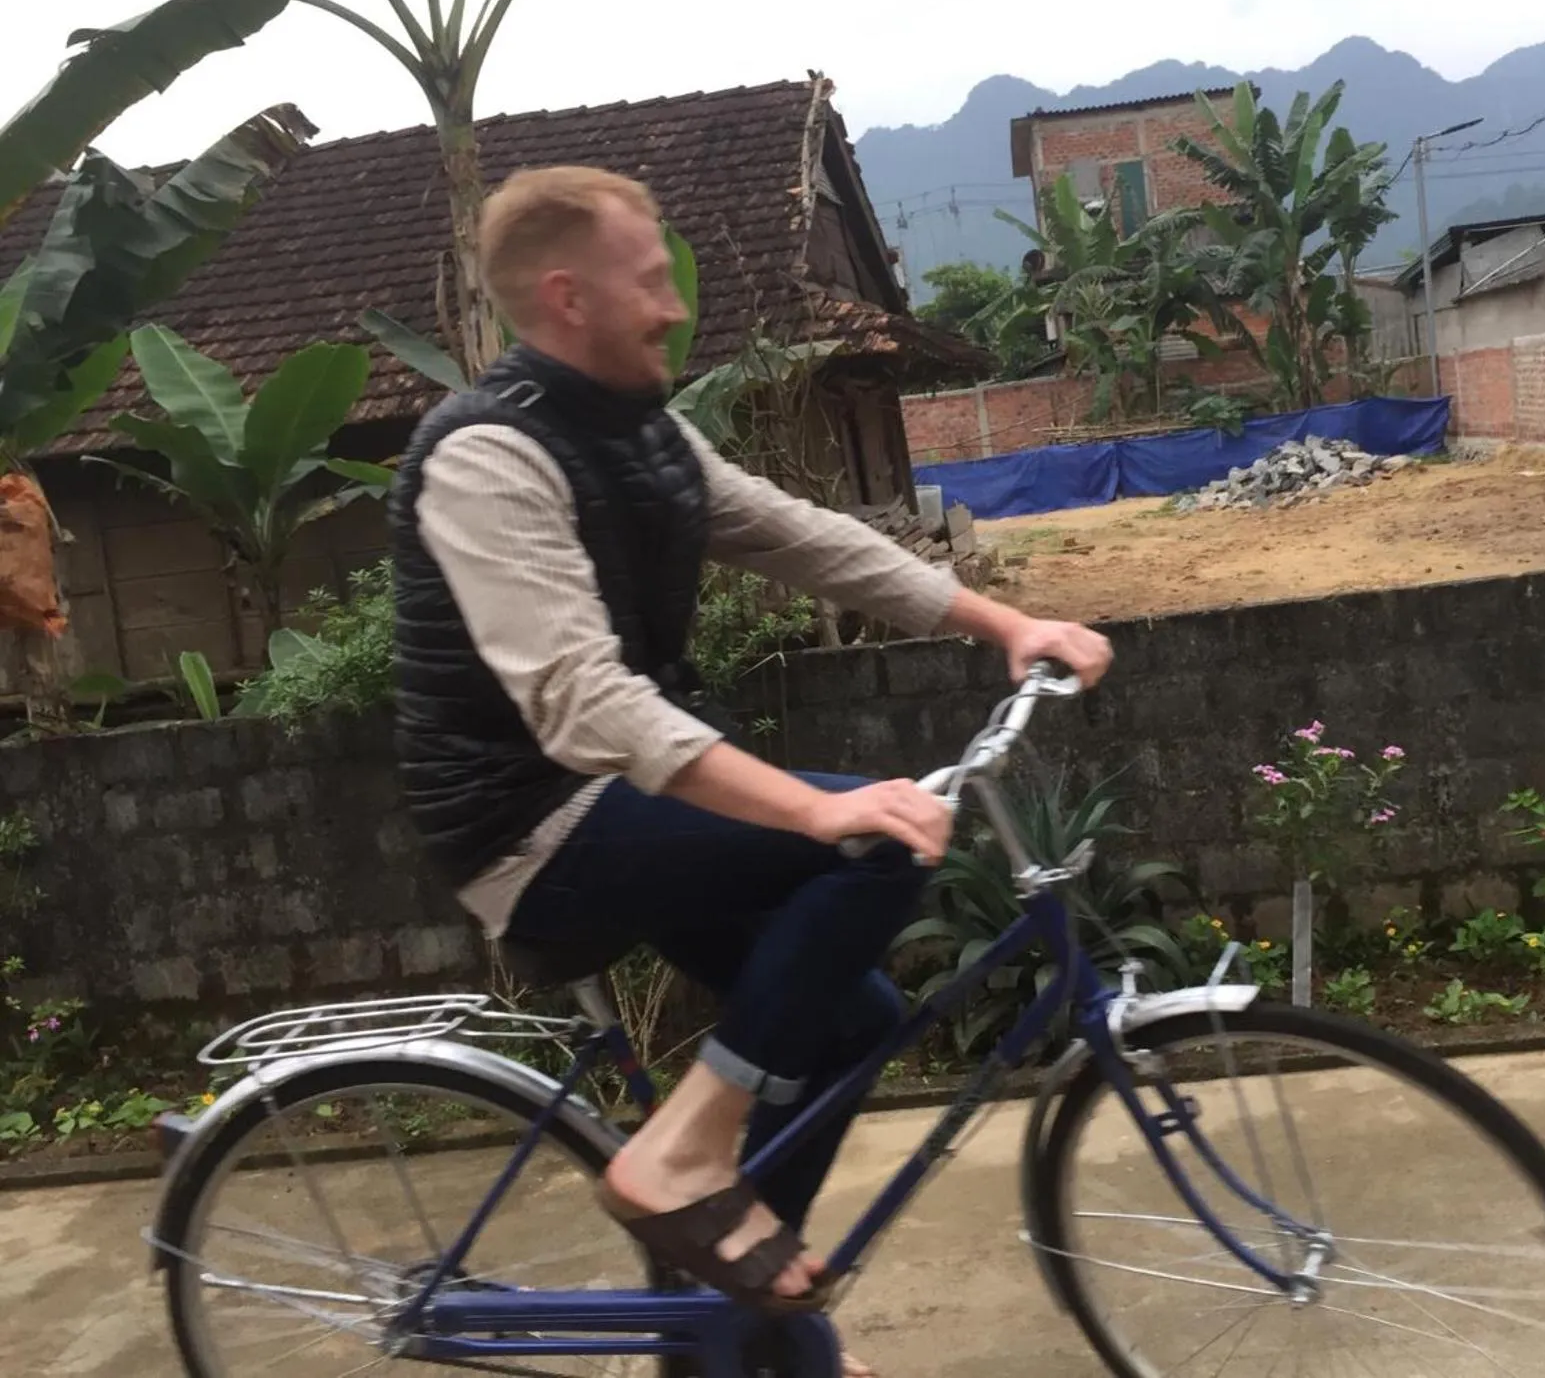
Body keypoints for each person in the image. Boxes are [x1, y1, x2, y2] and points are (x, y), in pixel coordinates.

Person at [385, 164, 1111, 1344]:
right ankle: (678, 1156)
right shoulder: (486, 458)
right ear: (568, 297)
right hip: (530, 823)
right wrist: (812, 811)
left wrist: (1003, 623)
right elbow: (582, 703)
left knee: (852, 1014)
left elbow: (804, 537)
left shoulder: (644, 433)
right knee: (879, 841)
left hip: (615, 800)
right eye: (647, 280)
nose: (674, 306)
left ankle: (727, 1323)